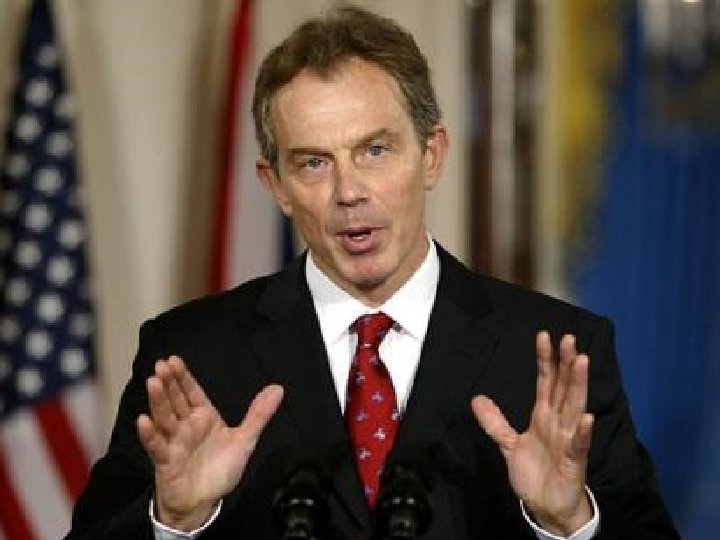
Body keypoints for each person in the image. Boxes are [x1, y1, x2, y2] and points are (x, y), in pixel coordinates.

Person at [65, 6, 679, 540]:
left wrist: (569, 521)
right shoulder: (194, 356)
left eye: (375, 150)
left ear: (431, 155)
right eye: (313, 163)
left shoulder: (557, 355)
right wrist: (174, 519)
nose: (348, 192)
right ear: (275, 186)